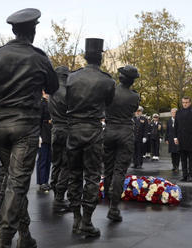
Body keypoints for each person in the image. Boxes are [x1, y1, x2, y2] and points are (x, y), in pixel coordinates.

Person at [0, 8, 58, 248]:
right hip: (26, 129)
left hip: (1, 128)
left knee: (14, 183)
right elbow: (52, 87)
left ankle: (26, 235)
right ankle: (5, 239)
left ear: (13, 30)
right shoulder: (39, 57)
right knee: (17, 184)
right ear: (32, 30)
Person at [66, 38, 115, 237]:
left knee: (74, 175)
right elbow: (109, 102)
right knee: (93, 176)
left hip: (74, 129)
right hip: (93, 130)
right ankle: (86, 221)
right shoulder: (107, 80)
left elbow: (67, 100)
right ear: (100, 57)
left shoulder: (72, 77)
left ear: (85, 57)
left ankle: (77, 219)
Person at [104, 65, 140, 222]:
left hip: (110, 131)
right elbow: (133, 109)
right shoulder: (134, 97)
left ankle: (108, 199)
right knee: (119, 171)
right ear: (132, 81)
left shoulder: (109, 92)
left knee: (108, 169)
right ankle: (113, 208)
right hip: (125, 133)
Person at [48, 66, 70, 213]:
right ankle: (59, 198)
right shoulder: (68, 92)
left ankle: (56, 193)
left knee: (56, 164)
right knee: (66, 165)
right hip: (67, 130)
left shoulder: (52, 93)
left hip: (55, 130)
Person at [174, 96, 192, 182]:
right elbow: (176, 126)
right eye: (183, 102)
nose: (185, 104)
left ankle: (190, 175)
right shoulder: (178, 112)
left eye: (186, 102)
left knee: (191, 158)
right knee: (183, 158)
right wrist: (175, 137)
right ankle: (184, 175)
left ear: (190, 102)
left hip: (191, 138)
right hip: (181, 138)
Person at [36, 91, 52, 192]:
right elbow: (38, 121)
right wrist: (38, 136)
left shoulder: (50, 103)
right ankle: (41, 182)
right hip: (43, 134)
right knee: (42, 159)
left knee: (48, 160)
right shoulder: (41, 103)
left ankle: (46, 181)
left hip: (50, 134)